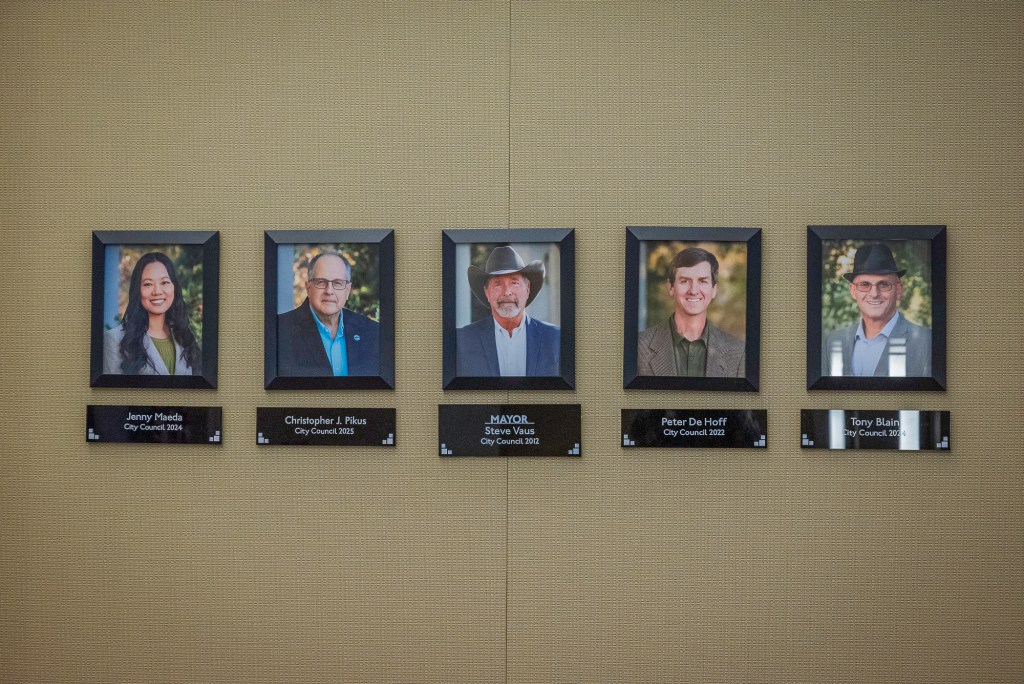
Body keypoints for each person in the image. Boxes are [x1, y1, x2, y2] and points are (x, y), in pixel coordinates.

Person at [822, 242, 931, 377]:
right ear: (853, 291)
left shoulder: (927, 342)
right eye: (865, 284)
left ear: (898, 290)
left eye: (883, 284)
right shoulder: (833, 341)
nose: (874, 294)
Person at [637, 247, 745, 377]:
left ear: (714, 289)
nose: (693, 290)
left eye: (702, 281)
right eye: (684, 281)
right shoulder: (639, 347)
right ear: (671, 287)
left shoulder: (738, 353)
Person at [456, 246, 560, 377]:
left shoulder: (556, 339)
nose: (507, 292)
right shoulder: (461, 341)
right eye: (498, 284)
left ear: (527, 289)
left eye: (514, 283)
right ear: (487, 292)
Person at [277, 251, 379, 376]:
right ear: (308, 288)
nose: (329, 291)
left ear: (347, 290)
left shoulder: (373, 332)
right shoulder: (278, 331)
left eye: (338, 283)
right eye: (321, 282)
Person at [103, 252, 201, 375]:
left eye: (164, 282)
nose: (157, 291)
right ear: (137, 290)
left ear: (174, 287)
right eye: (148, 284)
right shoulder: (114, 339)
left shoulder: (185, 337)